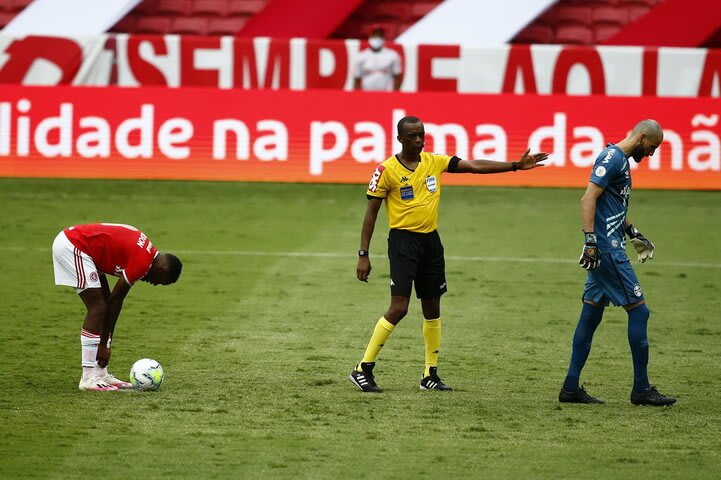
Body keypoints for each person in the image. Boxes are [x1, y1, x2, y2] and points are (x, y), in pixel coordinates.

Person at [349, 115, 548, 392]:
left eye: (422, 134)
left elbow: (474, 166)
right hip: (403, 243)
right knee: (400, 307)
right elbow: (370, 214)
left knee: (433, 308)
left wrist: (515, 166)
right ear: (400, 139)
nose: (419, 140)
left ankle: (429, 375)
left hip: (431, 243)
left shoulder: (435, 162)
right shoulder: (386, 171)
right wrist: (363, 254)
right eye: (413, 136)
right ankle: (363, 368)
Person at [559, 119, 676, 406]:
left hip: (607, 246)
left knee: (590, 315)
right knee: (640, 312)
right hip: (607, 251)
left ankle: (571, 388)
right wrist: (590, 242)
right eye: (652, 147)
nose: (651, 154)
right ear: (642, 136)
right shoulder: (612, 159)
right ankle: (641, 390)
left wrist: (633, 232)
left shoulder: (621, 161)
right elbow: (588, 199)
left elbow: (612, 205)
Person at [52, 223, 182, 391]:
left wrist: (105, 345)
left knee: (103, 305)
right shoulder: (142, 263)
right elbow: (116, 300)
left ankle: (100, 373)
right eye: (160, 281)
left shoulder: (147, 254)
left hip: (88, 251)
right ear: (161, 268)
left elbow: (112, 302)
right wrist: (104, 344)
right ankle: (88, 378)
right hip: (74, 245)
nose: (155, 284)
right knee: (97, 308)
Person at [352, 24, 402, 92]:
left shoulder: (393, 55)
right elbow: (357, 80)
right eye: (374, 35)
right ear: (370, 37)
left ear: (383, 38)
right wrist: (356, 96)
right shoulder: (361, 56)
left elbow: (397, 77)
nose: (377, 38)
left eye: (379, 36)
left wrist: (395, 94)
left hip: (387, 94)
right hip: (367, 95)